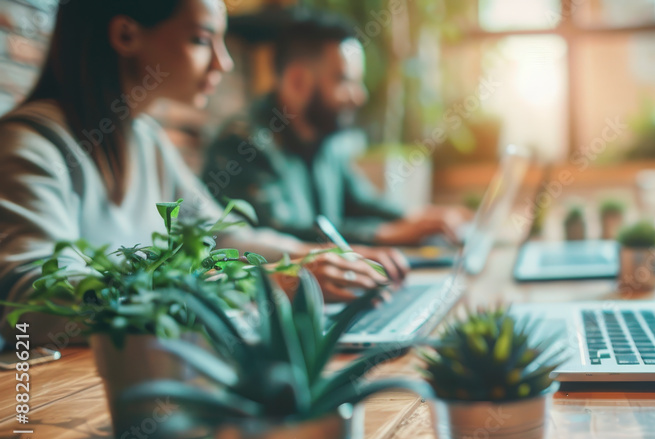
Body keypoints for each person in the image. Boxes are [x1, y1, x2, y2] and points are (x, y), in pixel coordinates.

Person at [0, 0, 409, 344]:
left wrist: (317, 258)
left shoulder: (146, 140)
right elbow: (28, 300)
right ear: (125, 35)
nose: (224, 62)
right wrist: (261, 285)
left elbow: (222, 235)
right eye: (201, 39)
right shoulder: (30, 144)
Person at [202, 15, 469, 247]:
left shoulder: (323, 139)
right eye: (345, 81)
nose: (360, 96)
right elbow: (275, 234)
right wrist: (381, 234)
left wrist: (417, 217)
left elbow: (360, 202)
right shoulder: (242, 144)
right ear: (297, 81)